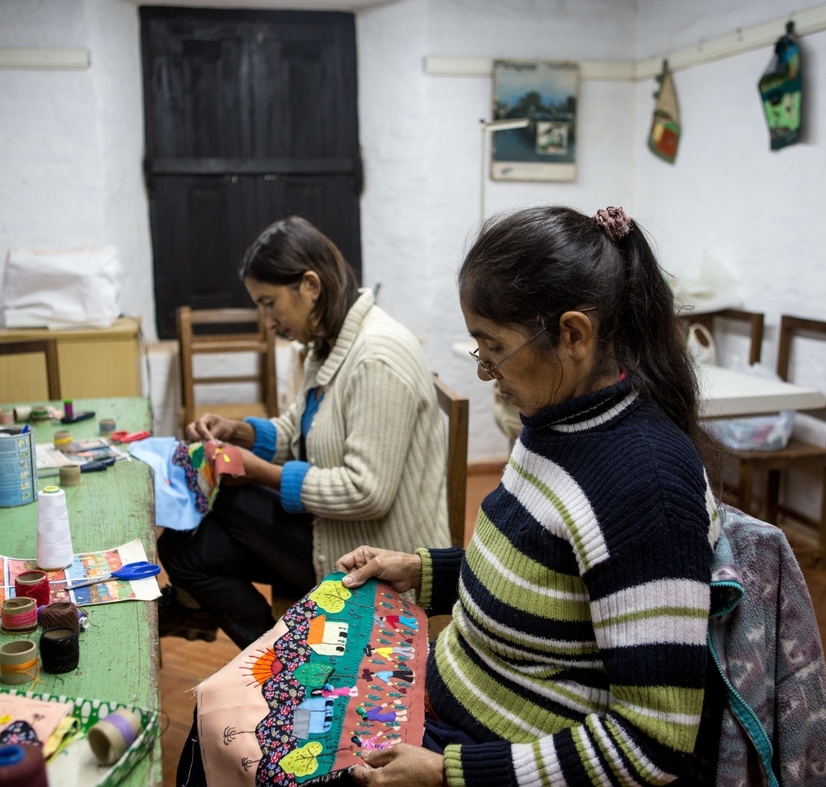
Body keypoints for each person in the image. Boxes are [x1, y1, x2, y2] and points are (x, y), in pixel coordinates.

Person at [336, 205, 722, 786]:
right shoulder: (556, 422)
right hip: (446, 711)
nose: (487, 372)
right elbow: (544, 576)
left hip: (486, 758)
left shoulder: (648, 487)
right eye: (480, 351)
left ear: (573, 334)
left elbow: (653, 744)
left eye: (495, 351)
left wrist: (449, 773)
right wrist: (423, 571)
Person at [159, 216, 450, 650]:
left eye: (269, 302)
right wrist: (236, 432)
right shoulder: (328, 342)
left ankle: (269, 655)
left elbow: (367, 491)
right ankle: (273, 654)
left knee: (228, 499)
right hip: (337, 530)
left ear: (310, 285)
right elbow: (299, 431)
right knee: (185, 548)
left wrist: (259, 472)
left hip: (380, 554)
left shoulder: (375, 358)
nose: (268, 320)